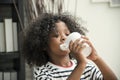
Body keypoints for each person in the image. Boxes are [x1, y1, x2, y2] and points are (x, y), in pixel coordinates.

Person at [22, 13, 117, 80]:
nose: (64, 38)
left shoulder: (87, 67)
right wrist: (81, 64)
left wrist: (96, 58)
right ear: (43, 44)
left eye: (67, 34)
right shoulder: (42, 73)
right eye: (56, 35)